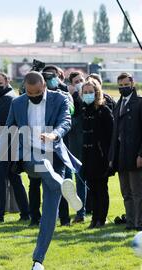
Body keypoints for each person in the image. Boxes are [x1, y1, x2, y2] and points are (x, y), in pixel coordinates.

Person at [0, 72, 82, 270]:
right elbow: (7, 134)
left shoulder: (60, 98)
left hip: (56, 158)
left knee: (50, 215)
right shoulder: (17, 104)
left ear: (44, 86)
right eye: (29, 92)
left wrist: (54, 135)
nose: (33, 96)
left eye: (37, 92)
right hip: (30, 158)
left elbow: (66, 122)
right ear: (24, 88)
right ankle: (64, 185)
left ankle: (38, 263)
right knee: (42, 165)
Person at [28, 66, 74, 226]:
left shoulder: (63, 95)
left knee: (56, 183)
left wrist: (53, 134)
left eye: (52, 76)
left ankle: (64, 218)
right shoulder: (29, 96)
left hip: (55, 148)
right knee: (36, 183)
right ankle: (35, 217)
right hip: (35, 150)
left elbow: (69, 116)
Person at [109, 73, 142, 231]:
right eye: (120, 86)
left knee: (137, 191)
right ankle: (131, 222)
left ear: (133, 84)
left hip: (135, 155)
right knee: (126, 191)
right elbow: (115, 134)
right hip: (121, 155)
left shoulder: (141, 103)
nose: (123, 88)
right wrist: (112, 157)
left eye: (126, 85)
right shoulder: (118, 104)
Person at [0, 72, 30, 223]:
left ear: (7, 81)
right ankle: (25, 212)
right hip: (9, 144)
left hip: (4, 145)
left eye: (0, 83)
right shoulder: (6, 97)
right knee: (14, 178)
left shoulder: (7, 98)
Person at [80, 80, 113, 229]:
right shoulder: (83, 110)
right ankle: (94, 218)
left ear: (97, 92)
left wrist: (108, 156)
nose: (87, 95)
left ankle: (101, 218)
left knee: (101, 188)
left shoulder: (103, 110)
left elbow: (111, 134)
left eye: (90, 92)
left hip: (100, 156)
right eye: (85, 92)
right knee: (92, 189)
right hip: (87, 155)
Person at [68, 71, 88, 222]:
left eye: (81, 80)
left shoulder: (89, 96)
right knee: (77, 179)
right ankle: (80, 212)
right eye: (76, 81)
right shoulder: (70, 98)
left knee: (86, 180)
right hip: (74, 145)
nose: (80, 83)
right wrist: (73, 95)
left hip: (88, 146)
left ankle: (84, 211)